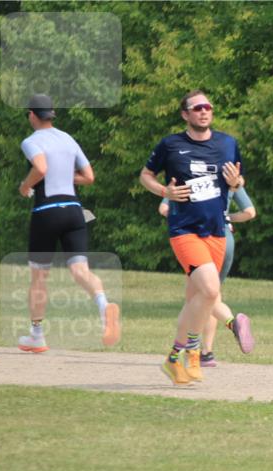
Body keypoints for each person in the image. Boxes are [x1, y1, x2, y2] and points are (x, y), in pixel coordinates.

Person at [139, 90, 253, 385]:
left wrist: (236, 183)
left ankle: (174, 358)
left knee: (197, 299)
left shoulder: (228, 144)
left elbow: (238, 181)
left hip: (217, 231)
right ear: (185, 114)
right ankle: (192, 349)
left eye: (208, 107)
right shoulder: (171, 144)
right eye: (197, 107)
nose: (204, 111)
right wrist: (164, 191)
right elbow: (145, 175)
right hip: (184, 230)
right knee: (211, 290)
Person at [16, 93, 120, 353]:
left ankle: (36, 335)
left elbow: (41, 168)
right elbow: (89, 177)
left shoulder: (31, 141)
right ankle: (104, 306)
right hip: (74, 211)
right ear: (51, 115)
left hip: (47, 211)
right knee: (80, 271)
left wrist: (25, 185)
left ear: (31, 115)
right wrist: (63, 175)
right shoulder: (68, 138)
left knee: (39, 276)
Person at [158, 185, 256, 366]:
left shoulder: (184, 176)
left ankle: (231, 323)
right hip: (225, 239)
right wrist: (226, 217)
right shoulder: (227, 175)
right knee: (210, 295)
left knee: (197, 296)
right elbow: (250, 212)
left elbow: (164, 208)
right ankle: (207, 353)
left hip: (197, 239)